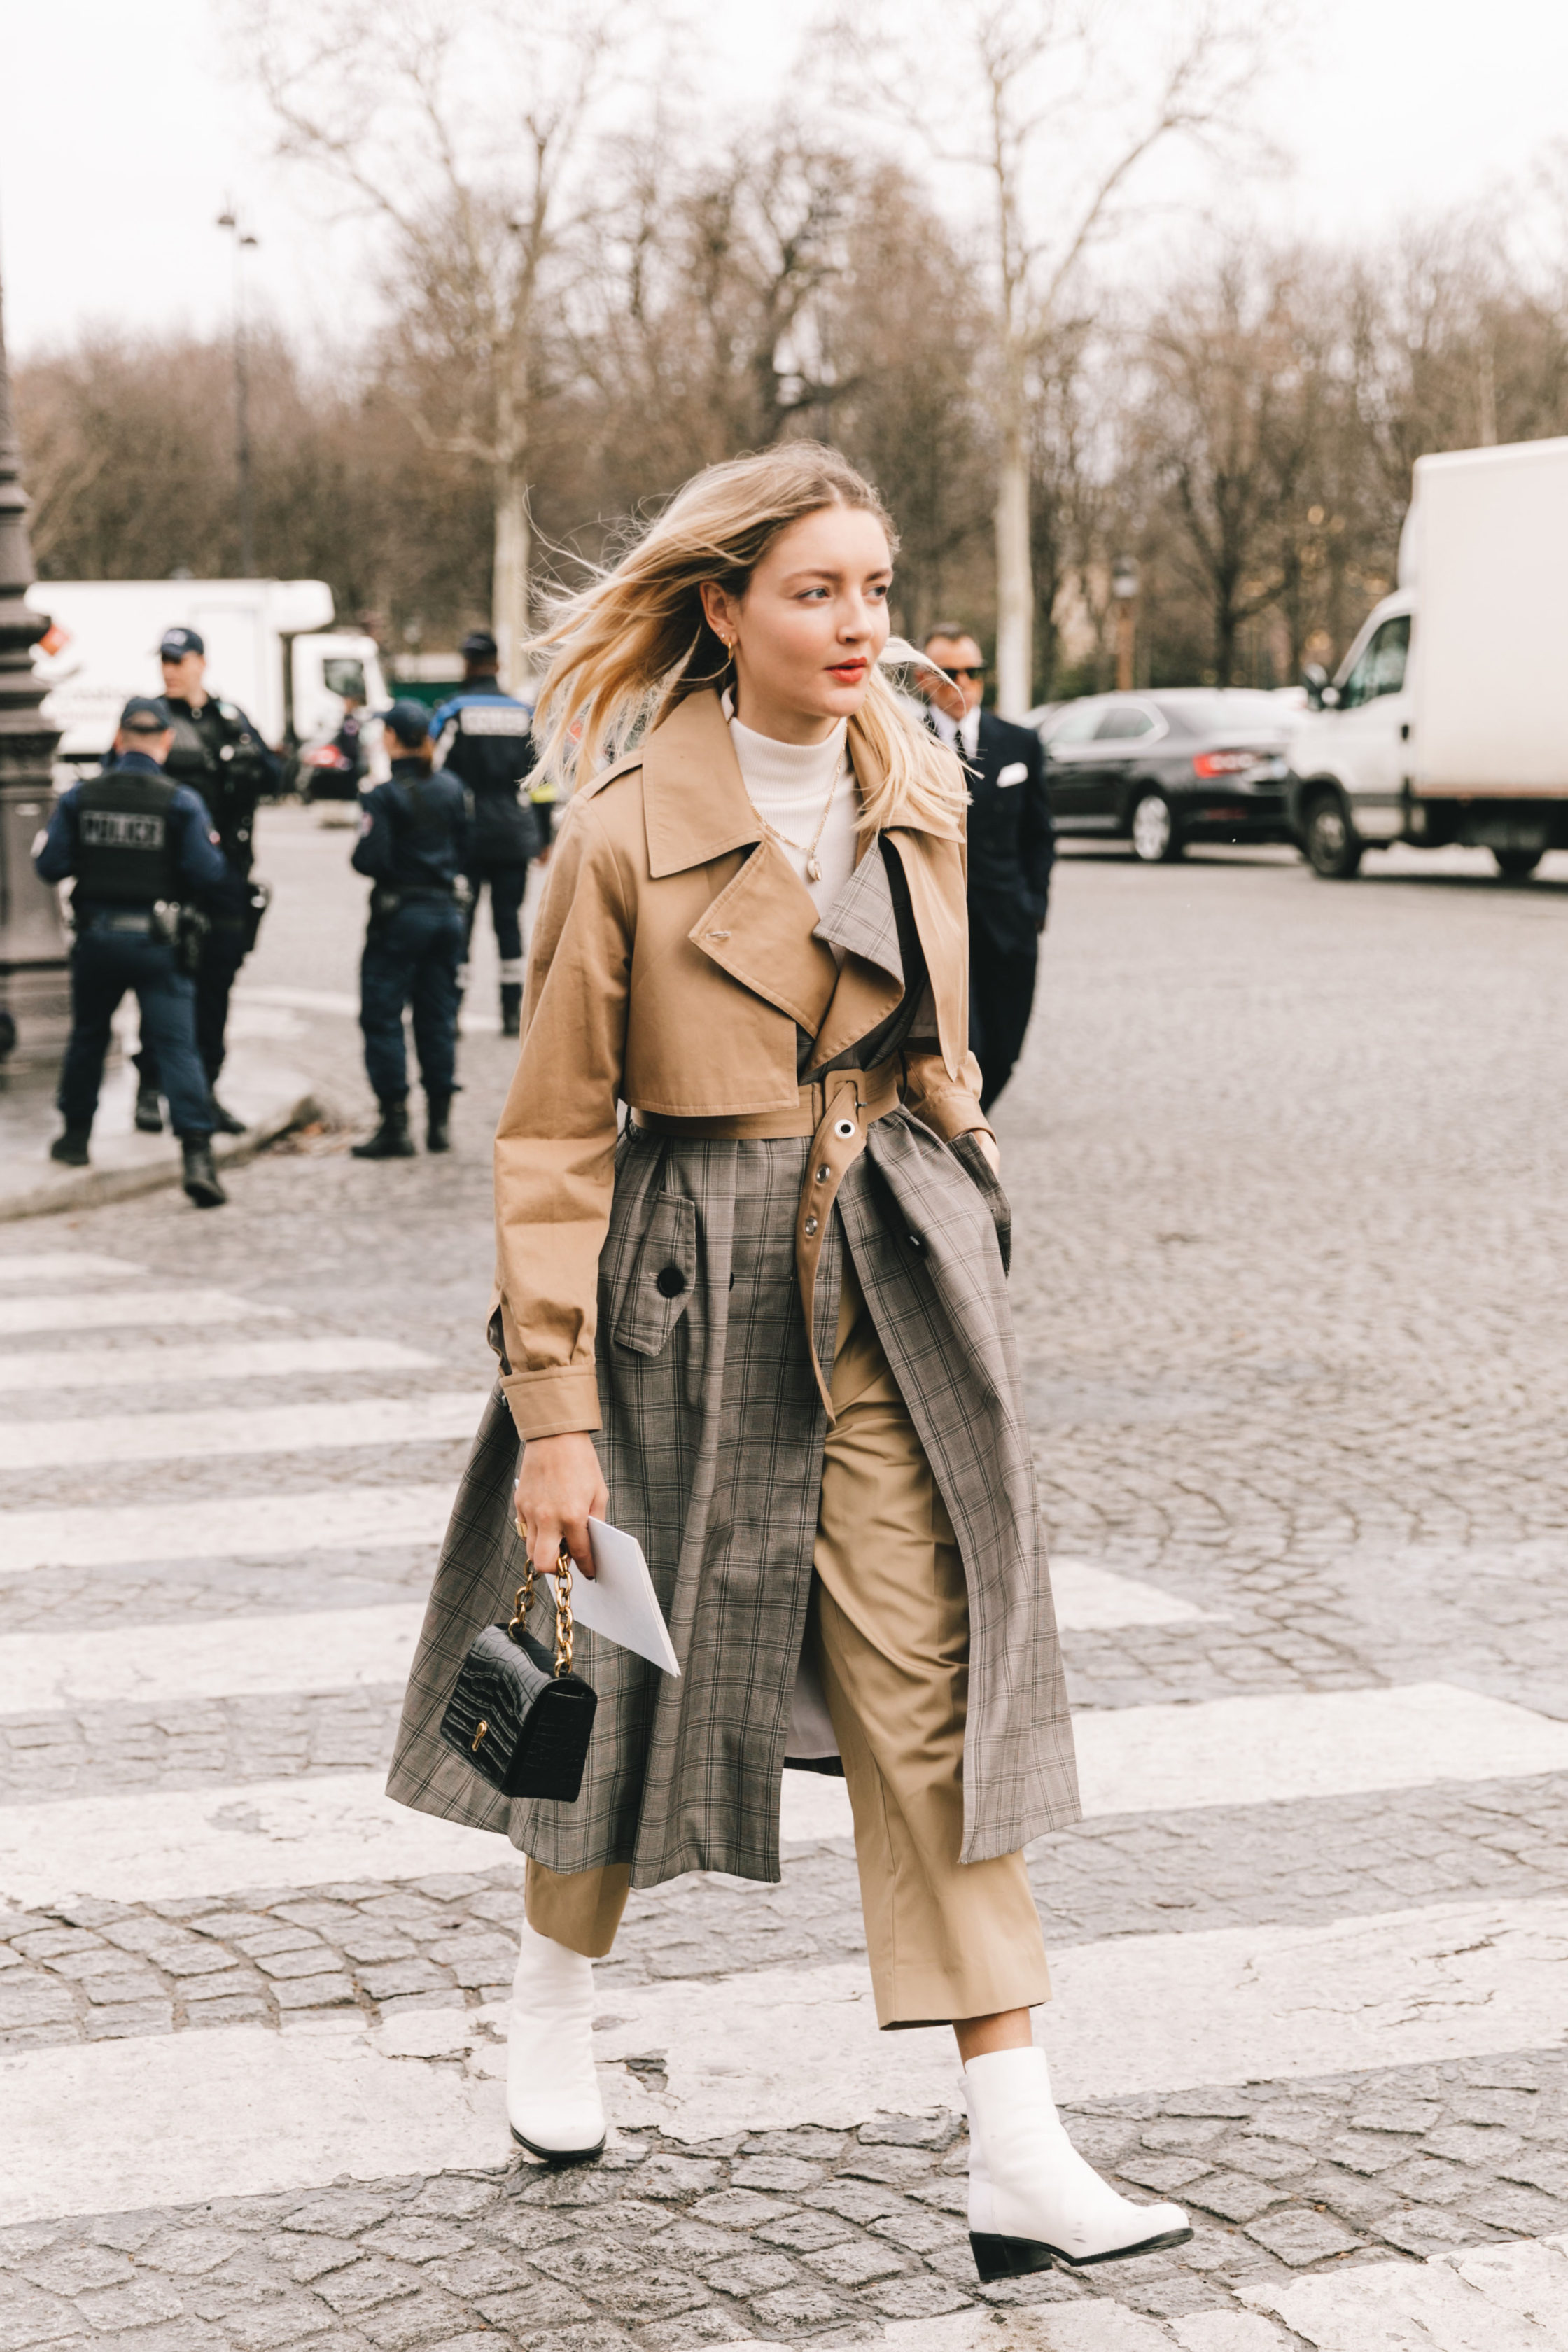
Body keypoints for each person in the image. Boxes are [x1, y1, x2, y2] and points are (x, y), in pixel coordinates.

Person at [386, 446, 1189, 2283]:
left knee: (936, 1699)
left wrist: (964, 1194)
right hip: (679, 1290)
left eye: (877, 590)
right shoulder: (612, 835)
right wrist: (554, 1418)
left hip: (881, 1292)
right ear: (723, 607)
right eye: (818, 591)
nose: (859, 626)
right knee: (619, 1680)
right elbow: (550, 1142)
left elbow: (941, 1052)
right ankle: (551, 1999)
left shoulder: (917, 787)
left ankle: (1019, 2148)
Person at [34, 696, 233, 1208]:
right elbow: (209, 873)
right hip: (159, 941)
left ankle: (76, 1137)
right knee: (176, 1047)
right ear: (165, 742)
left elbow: (50, 865)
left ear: (119, 739)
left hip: (98, 938)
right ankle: (196, 1155)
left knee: (88, 1038)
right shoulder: (180, 801)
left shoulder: (82, 797)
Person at [133, 624, 280, 1138]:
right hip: (166, 877)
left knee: (216, 986)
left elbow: (275, 777)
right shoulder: (149, 717)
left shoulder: (230, 719)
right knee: (163, 983)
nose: (169, 670)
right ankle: (149, 1087)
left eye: (178, 660)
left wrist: (249, 759)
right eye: (165, 661)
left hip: (226, 878)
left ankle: (206, 1090)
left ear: (200, 662)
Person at [920, 625, 1054, 1113]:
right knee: (961, 1042)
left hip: (1008, 923)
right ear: (922, 678)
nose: (963, 683)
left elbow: (1040, 835)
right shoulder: (906, 743)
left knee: (1004, 1047)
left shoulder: (1020, 743)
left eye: (973, 672)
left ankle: (969, 1121)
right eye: (949, 673)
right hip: (938, 924)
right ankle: (958, 1135)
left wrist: (1034, 906)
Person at [351, 701, 470, 1158]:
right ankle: (440, 1125)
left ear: (393, 739)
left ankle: (395, 1125)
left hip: (400, 917)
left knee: (382, 1016)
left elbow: (369, 859)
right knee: (437, 1016)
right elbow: (465, 849)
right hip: (446, 916)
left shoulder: (383, 795)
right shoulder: (453, 787)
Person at [431, 627, 542, 1037]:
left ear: (467, 664)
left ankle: (453, 1013)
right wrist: (543, 836)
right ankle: (512, 1013)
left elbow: (434, 775)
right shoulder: (523, 712)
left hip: (467, 838)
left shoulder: (453, 713)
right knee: (509, 923)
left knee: (461, 923)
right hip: (515, 837)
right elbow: (541, 779)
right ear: (497, 665)